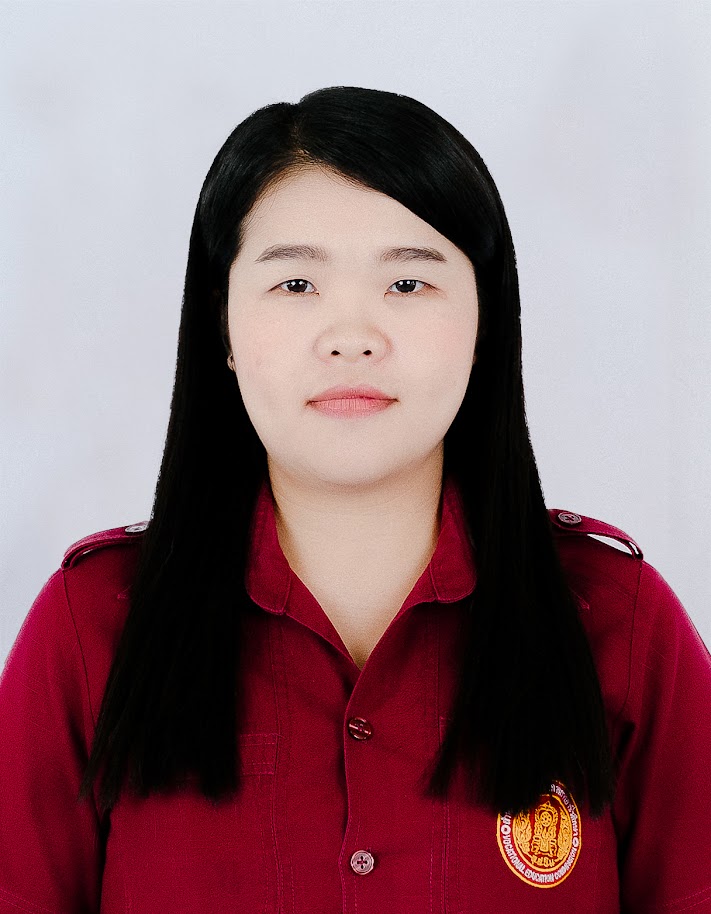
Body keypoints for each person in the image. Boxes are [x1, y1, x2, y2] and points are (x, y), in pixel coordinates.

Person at [0, 85, 709, 913]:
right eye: (295, 283)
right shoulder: (93, 629)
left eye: (407, 284)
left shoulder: (617, 624)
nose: (351, 336)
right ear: (222, 326)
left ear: (485, 322)